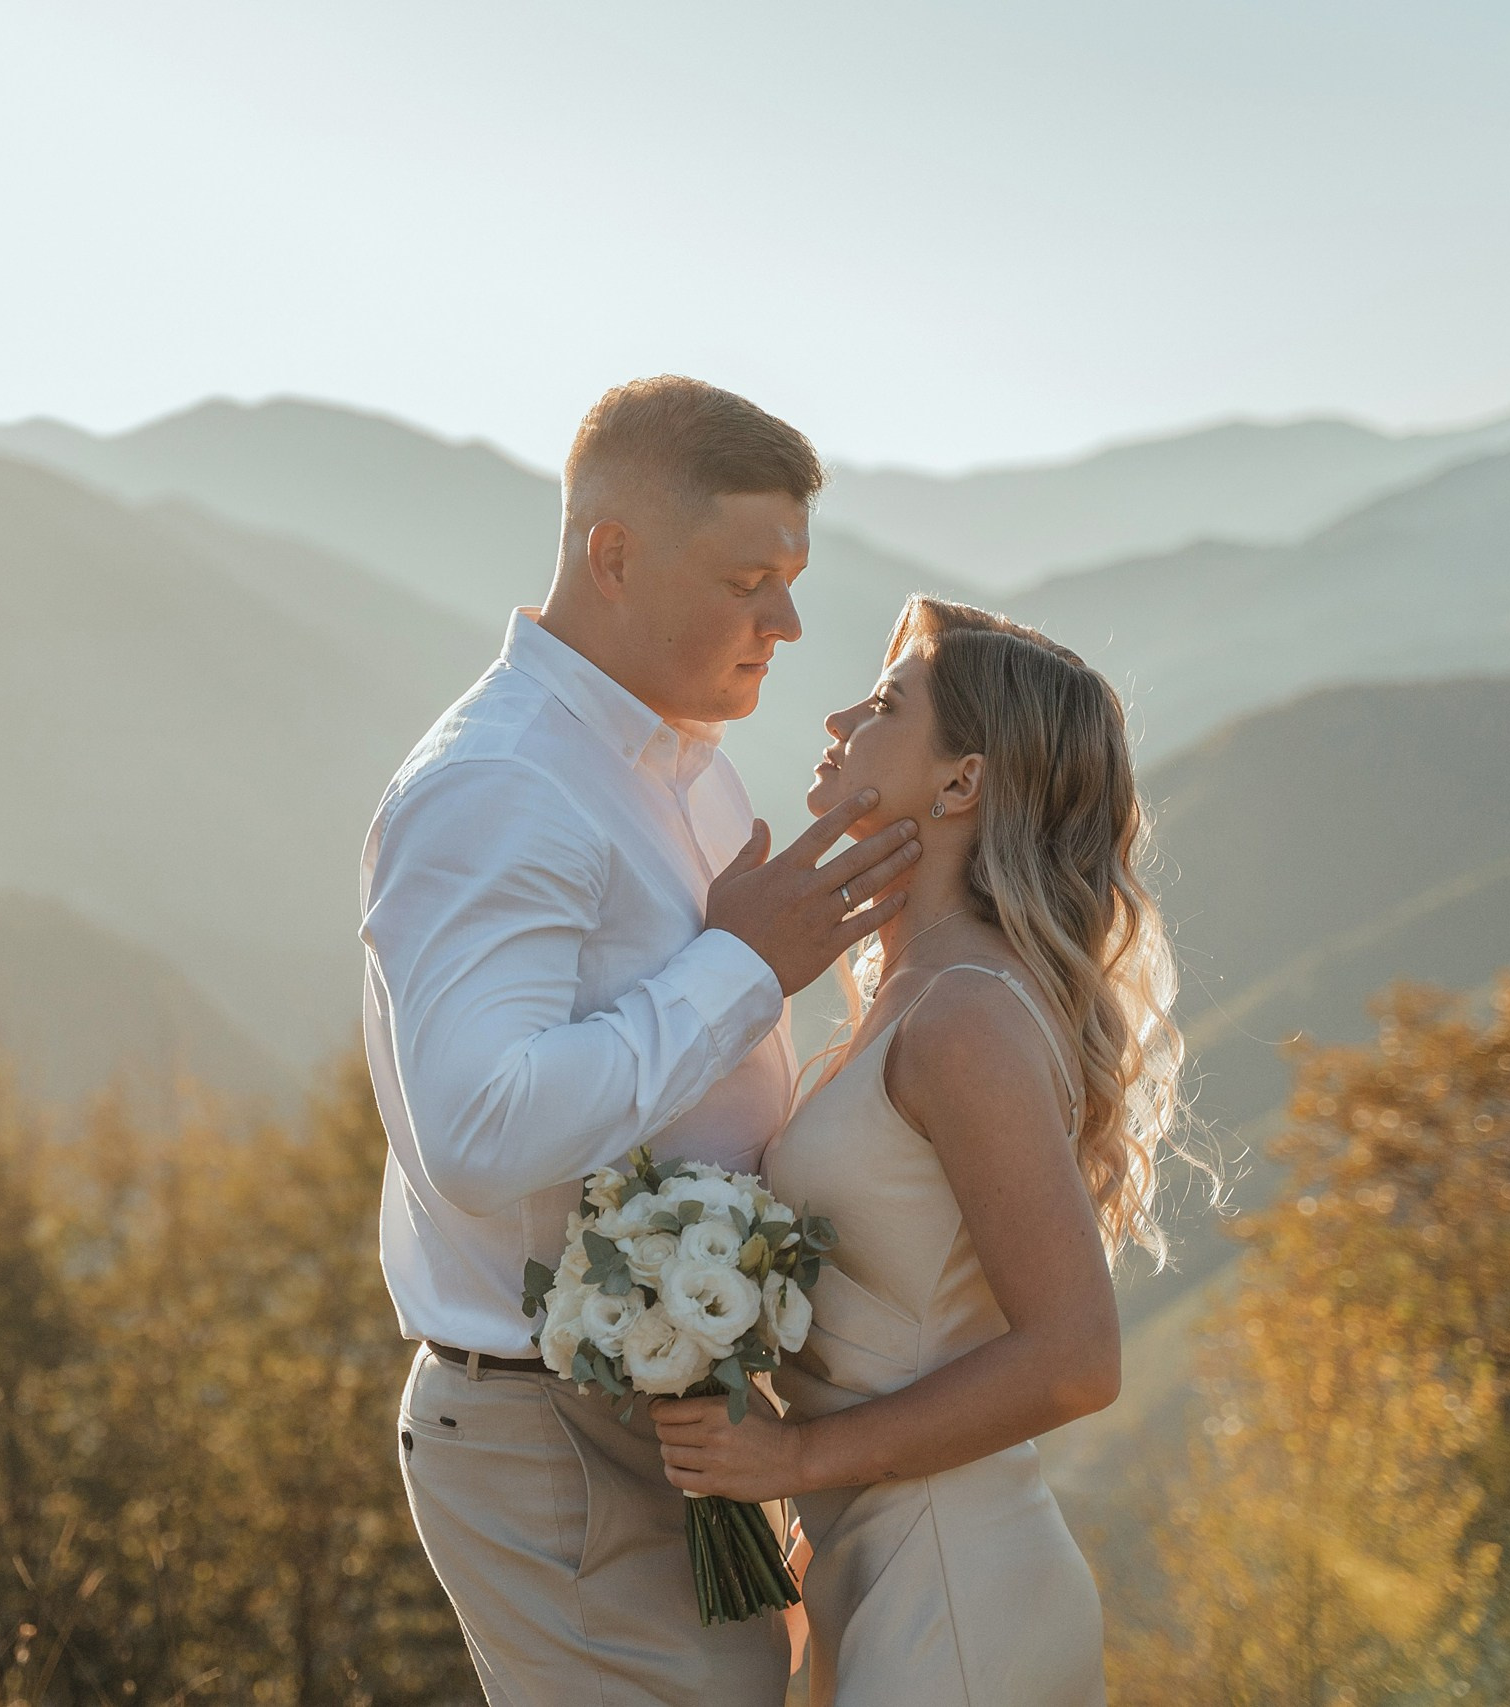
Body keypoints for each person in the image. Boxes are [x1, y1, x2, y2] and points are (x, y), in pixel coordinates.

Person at [360, 376, 922, 1702]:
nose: (785, 620)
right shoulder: (499, 782)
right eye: (747, 576)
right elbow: (478, 1130)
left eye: (791, 576)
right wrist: (743, 963)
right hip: (546, 1430)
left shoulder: (684, 764)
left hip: (668, 1410)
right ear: (610, 553)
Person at [651, 596, 1191, 1706]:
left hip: (957, 1591)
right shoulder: (909, 1000)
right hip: (883, 1566)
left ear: (960, 784)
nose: (843, 712)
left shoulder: (962, 1019)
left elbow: (1076, 1357)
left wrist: (794, 1461)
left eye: (888, 703)